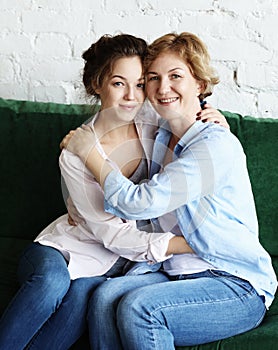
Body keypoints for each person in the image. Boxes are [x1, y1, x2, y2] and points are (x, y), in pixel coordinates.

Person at [63, 32, 277, 349]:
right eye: (153, 78)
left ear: (200, 85)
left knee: (141, 309)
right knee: (103, 297)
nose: (163, 88)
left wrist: (90, 154)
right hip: (175, 271)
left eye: (176, 76)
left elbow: (138, 203)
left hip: (232, 281)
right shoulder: (161, 134)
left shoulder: (213, 146)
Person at [0, 33, 200, 350]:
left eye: (139, 84)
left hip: (110, 264)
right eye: (119, 83)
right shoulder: (76, 153)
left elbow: (189, 110)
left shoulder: (153, 122)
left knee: (83, 297)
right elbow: (112, 234)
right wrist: (184, 244)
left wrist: (212, 119)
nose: (131, 97)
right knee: (52, 283)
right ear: (97, 84)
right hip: (64, 248)